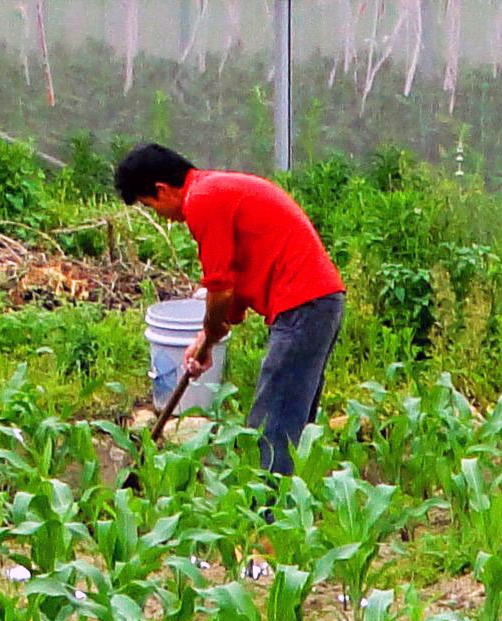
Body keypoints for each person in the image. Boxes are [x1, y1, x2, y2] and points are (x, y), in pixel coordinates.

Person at [114, 142, 346, 477]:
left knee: (273, 424)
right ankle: (287, 512)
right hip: (316, 303)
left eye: (150, 205)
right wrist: (206, 342)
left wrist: (209, 333)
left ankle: (266, 519)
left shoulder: (202, 201)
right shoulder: (215, 190)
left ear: (162, 190)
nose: (159, 215)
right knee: (290, 421)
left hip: (302, 306)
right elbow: (233, 285)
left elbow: (219, 288)